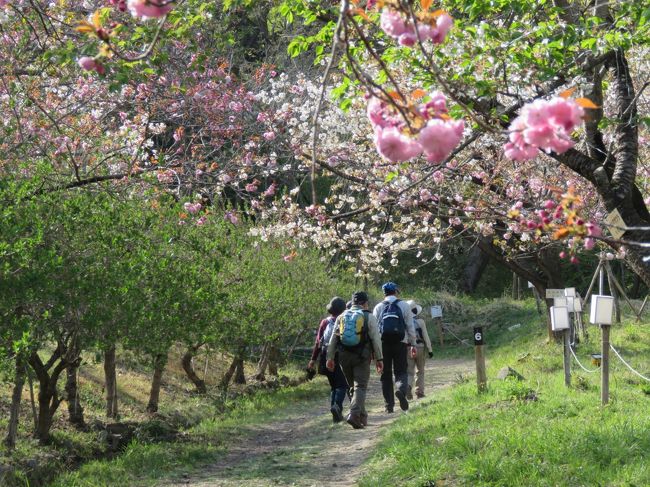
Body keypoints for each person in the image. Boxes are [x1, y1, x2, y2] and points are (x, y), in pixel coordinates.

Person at [327, 291, 383, 429]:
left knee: (353, 387)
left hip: (343, 357)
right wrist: (379, 358)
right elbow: (376, 339)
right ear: (365, 303)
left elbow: (333, 339)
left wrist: (330, 357)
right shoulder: (368, 316)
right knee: (360, 386)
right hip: (361, 356)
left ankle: (362, 417)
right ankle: (353, 414)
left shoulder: (341, 316)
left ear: (352, 302)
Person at [373, 282, 417, 413]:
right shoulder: (404, 305)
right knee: (401, 371)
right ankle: (401, 390)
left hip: (383, 344)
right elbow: (410, 326)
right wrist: (413, 344)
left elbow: (375, 330)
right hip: (400, 343)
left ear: (384, 293)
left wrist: (374, 350)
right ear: (396, 291)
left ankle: (389, 406)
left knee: (385, 375)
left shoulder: (378, 307)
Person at [308, 297, 349, 423]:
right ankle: (337, 407)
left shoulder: (324, 322)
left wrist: (313, 360)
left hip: (326, 355)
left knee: (333, 386)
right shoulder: (345, 320)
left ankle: (334, 412)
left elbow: (318, 343)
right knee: (342, 385)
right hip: (340, 355)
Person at [406, 300, 433, 399]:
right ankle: (419, 392)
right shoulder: (420, 322)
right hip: (420, 348)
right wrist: (430, 349)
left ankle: (408, 387)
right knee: (420, 371)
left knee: (409, 371)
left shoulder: (404, 322)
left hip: (408, 348)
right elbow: (426, 336)